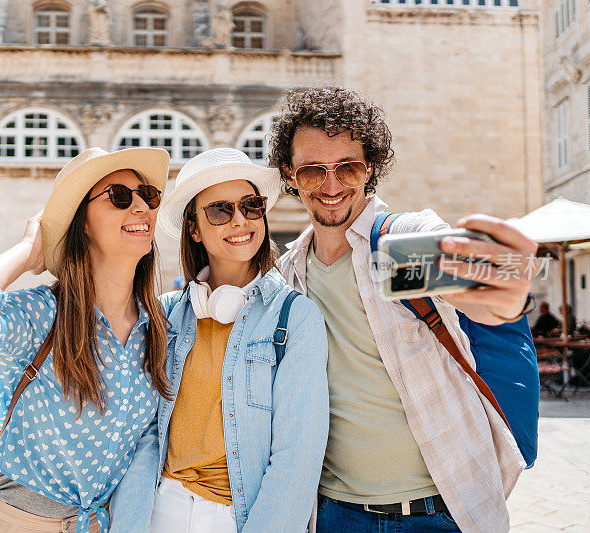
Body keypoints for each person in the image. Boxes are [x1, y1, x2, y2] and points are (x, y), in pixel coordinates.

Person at [270, 86, 537, 533]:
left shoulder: (400, 245)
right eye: (314, 171)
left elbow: (476, 295)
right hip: (333, 512)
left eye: (347, 167)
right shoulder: (289, 274)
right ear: (290, 175)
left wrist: (508, 303)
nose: (332, 186)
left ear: (369, 168)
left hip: (444, 509)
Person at [0, 147, 172, 533]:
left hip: (93, 524)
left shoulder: (157, 326)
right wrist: (28, 252)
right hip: (14, 520)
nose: (141, 206)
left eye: (149, 195)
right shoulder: (44, 315)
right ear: (83, 223)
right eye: (120, 197)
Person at [110, 148, 329, 532]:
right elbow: (140, 436)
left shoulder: (296, 319)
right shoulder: (165, 314)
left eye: (251, 205)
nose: (240, 221)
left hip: (238, 518)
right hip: (159, 509)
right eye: (220, 210)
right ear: (194, 228)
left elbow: (297, 459)